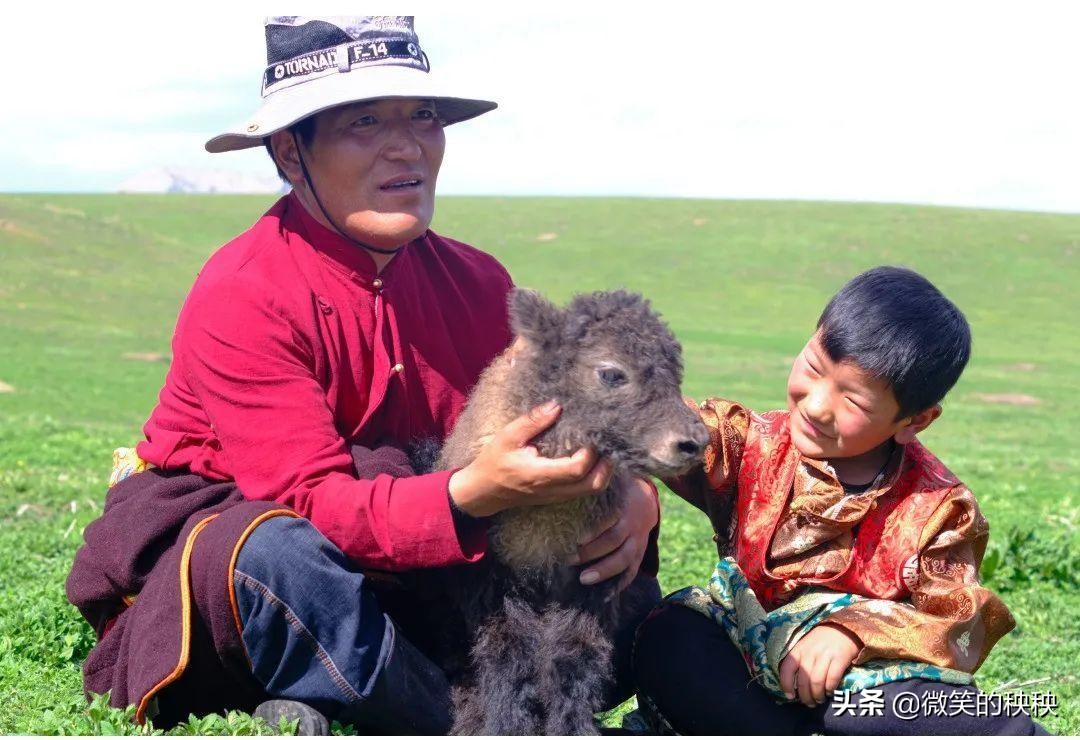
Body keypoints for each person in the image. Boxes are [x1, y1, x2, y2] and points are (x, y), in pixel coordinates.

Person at [66, 16, 662, 734]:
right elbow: (312, 505)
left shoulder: (479, 282)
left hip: (430, 554)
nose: (407, 146)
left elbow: (547, 427)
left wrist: (632, 499)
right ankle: (467, 718)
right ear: (290, 152)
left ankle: (346, 692)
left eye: (423, 116)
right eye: (364, 122)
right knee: (275, 561)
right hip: (285, 545)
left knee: (617, 585)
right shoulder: (243, 290)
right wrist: (470, 494)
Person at [632, 266, 1047, 734]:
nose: (815, 405)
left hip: (858, 688)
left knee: (918, 706)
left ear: (915, 421)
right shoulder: (748, 443)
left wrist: (852, 631)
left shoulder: (938, 510)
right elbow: (663, 424)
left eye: (853, 401)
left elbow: (956, 619)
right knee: (671, 635)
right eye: (813, 367)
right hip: (744, 659)